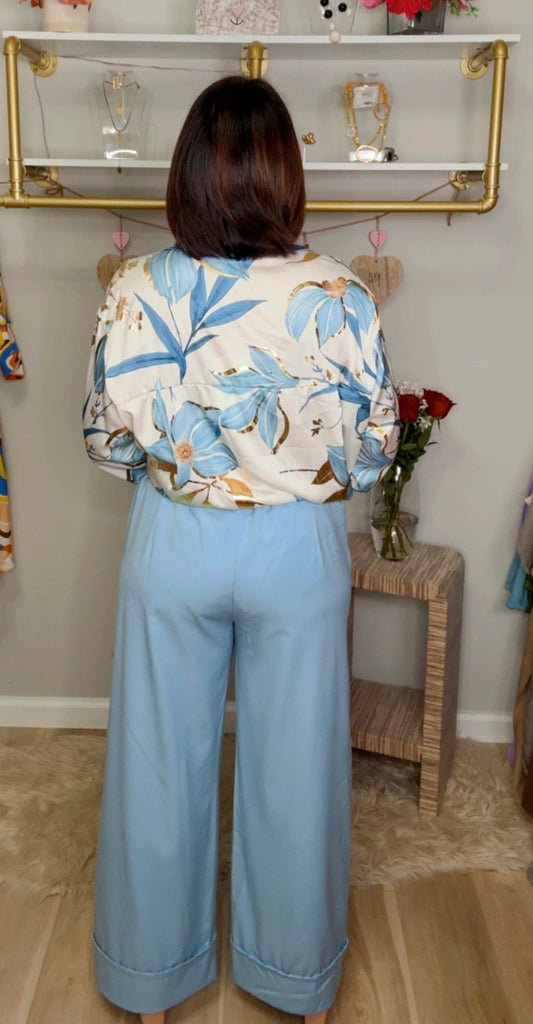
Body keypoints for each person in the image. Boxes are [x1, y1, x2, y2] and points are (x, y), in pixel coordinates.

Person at [83, 74, 399, 1024]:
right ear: (285, 176)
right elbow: (373, 446)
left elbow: (105, 438)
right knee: (297, 767)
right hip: (295, 550)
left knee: (156, 762)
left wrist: (183, 466)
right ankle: (293, 982)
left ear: (187, 173)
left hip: (175, 537)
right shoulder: (338, 291)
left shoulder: (137, 287)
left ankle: (148, 979)